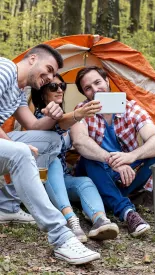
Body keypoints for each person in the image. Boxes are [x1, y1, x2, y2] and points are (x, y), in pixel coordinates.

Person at [0, 45, 100, 264]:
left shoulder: (18, 90)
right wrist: (14, 146)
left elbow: (34, 125)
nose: (49, 78)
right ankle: (61, 237)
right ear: (32, 59)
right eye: (47, 70)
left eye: (53, 75)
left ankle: (6, 206)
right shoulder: (5, 69)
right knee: (20, 154)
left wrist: (55, 113)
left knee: (52, 140)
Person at [70, 66, 155, 237]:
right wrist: (111, 160)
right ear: (85, 94)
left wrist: (130, 157)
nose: (95, 90)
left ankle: (108, 201)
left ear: (107, 81)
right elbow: (79, 142)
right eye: (88, 88)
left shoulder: (131, 108)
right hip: (96, 169)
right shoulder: (83, 109)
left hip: (122, 175)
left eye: (98, 82)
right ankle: (127, 212)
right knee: (89, 158)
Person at [31, 73, 119, 242]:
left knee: (84, 182)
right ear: (42, 93)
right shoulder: (39, 118)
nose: (60, 90)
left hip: (61, 178)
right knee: (53, 160)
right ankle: (70, 220)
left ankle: (100, 220)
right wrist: (76, 115)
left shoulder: (64, 116)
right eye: (53, 87)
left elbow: (69, 134)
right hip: (41, 179)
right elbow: (50, 130)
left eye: (62, 86)